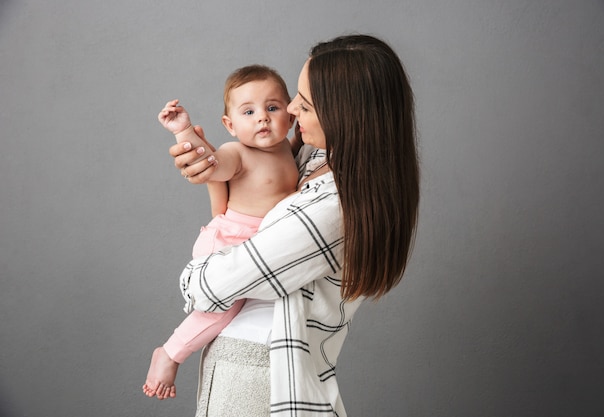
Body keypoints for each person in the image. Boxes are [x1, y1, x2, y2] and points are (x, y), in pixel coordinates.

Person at [168, 34, 419, 417]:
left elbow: (209, 286)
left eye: (305, 103)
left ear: (344, 115)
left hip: (258, 373)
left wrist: (193, 272)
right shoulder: (314, 160)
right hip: (252, 364)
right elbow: (243, 173)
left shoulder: (334, 204)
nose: (291, 109)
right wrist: (208, 168)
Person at [143, 65, 299, 400]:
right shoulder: (237, 153)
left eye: (273, 108)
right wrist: (184, 132)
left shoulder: (291, 147)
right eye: (249, 112)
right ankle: (170, 354)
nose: (263, 119)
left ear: (291, 114)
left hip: (255, 244)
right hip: (229, 240)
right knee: (221, 309)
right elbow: (208, 161)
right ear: (230, 125)